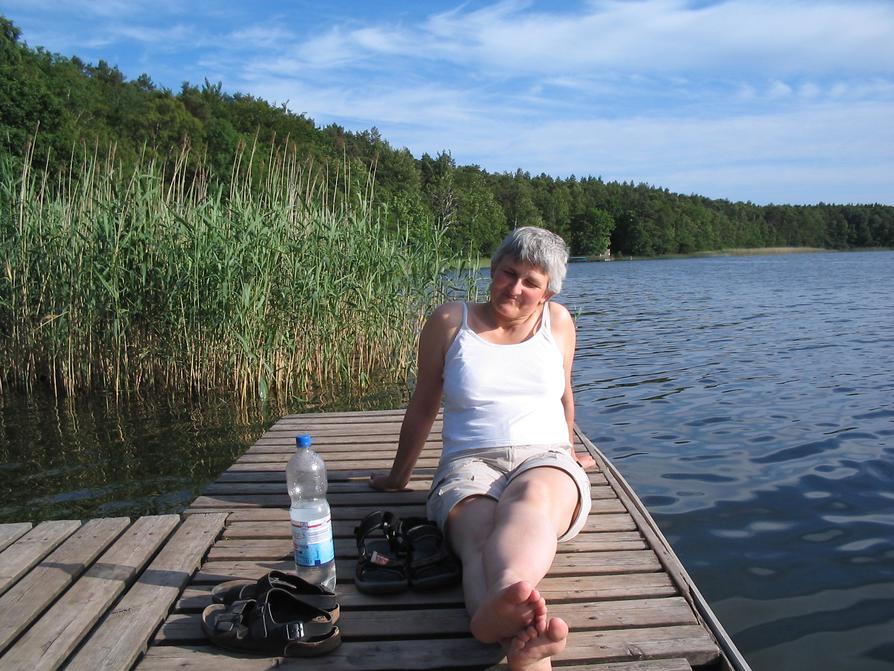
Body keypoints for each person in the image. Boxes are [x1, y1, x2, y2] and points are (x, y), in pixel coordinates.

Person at [370, 226, 594, 671]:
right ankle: (518, 632)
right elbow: (423, 405)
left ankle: (505, 599)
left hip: (542, 458)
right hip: (469, 463)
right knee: (476, 532)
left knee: (529, 502)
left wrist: (567, 451)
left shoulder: (559, 323)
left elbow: (564, 394)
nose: (515, 288)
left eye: (531, 282)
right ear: (492, 271)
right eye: (508, 273)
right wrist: (399, 477)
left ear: (547, 292)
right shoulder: (451, 321)